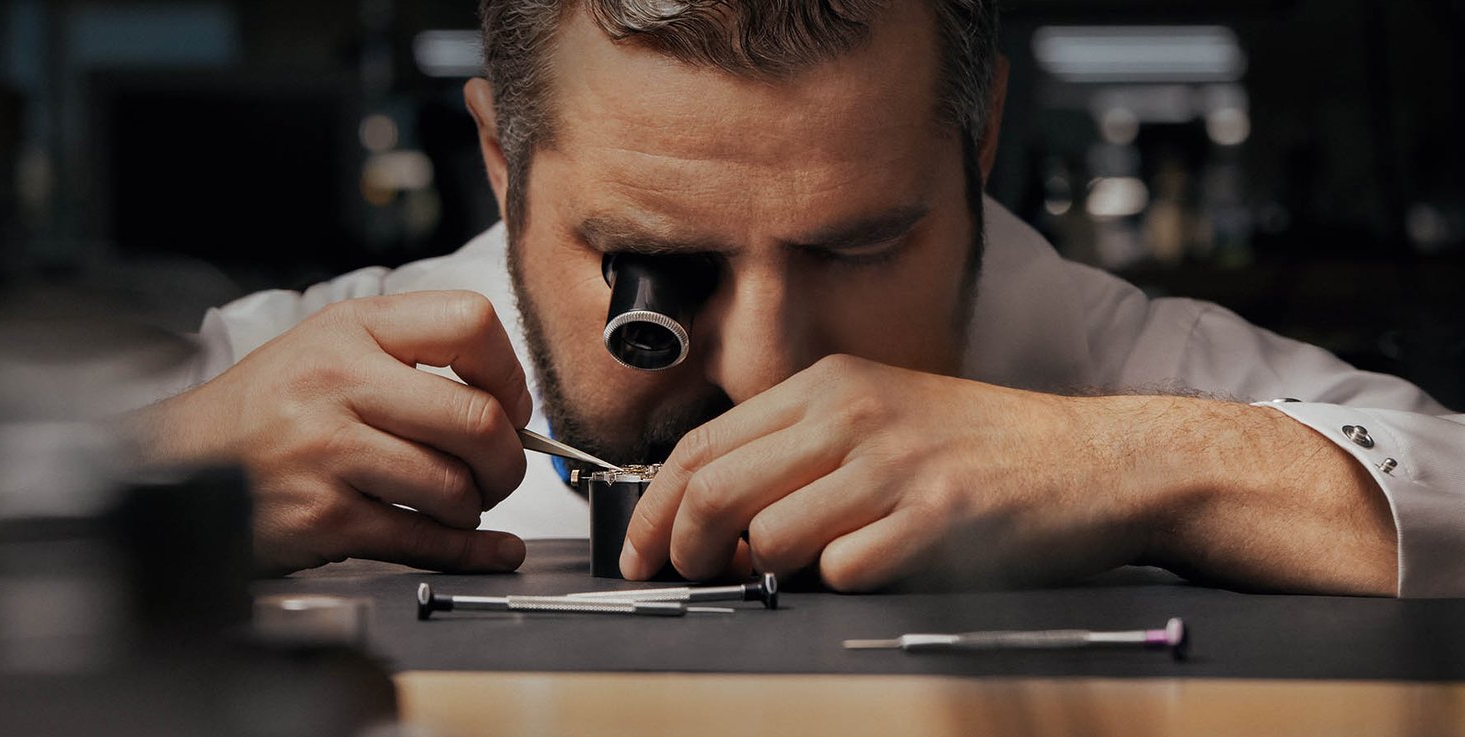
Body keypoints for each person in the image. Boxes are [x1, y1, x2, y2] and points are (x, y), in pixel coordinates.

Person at [130, 0, 1464, 597]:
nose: (765, 368)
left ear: (978, 145)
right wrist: (162, 490)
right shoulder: (285, 373)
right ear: (500, 163)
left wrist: (1149, 463)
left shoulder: (1115, 360)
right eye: (659, 264)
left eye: (860, 247)